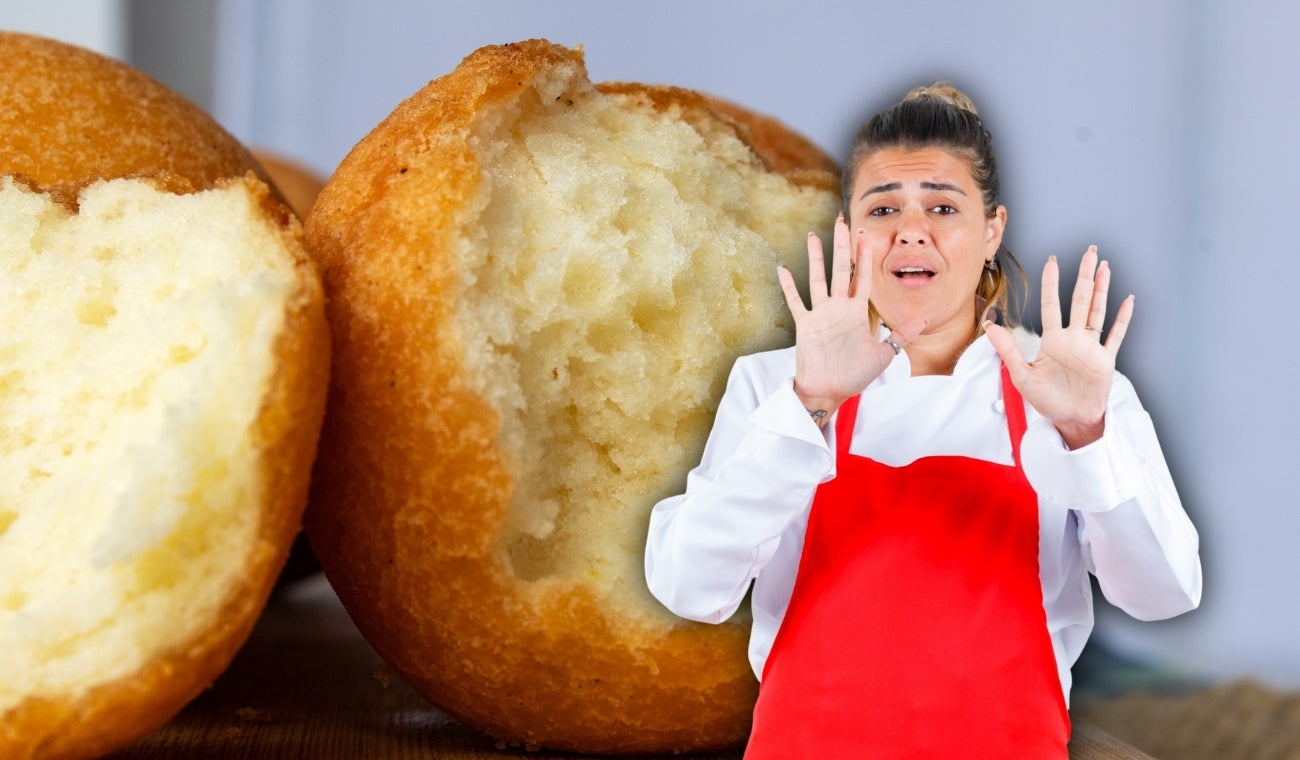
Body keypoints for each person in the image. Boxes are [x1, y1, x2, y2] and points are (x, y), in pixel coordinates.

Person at [643, 82, 1202, 758]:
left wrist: (1086, 436)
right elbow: (688, 586)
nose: (912, 229)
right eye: (884, 208)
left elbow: (1162, 594)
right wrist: (810, 404)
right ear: (849, 231)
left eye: (943, 205)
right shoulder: (775, 385)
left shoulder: (1070, 388)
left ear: (992, 229)